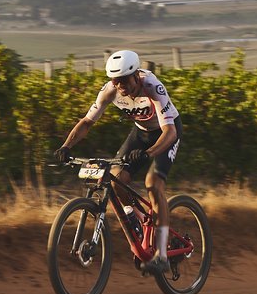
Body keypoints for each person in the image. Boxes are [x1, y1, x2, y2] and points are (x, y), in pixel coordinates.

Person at [55, 49, 181, 274]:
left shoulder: (152, 86)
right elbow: (87, 122)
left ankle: (161, 255)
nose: (120, 86)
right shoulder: (110, 90)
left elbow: (170, 132)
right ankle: (142, 219)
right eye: (116, 81)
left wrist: (149, 153)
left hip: (166, 133)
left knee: (153, 184)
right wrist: (66, 146)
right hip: (141, 132)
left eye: (124, 80)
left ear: (135, 75)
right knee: (116, 180)